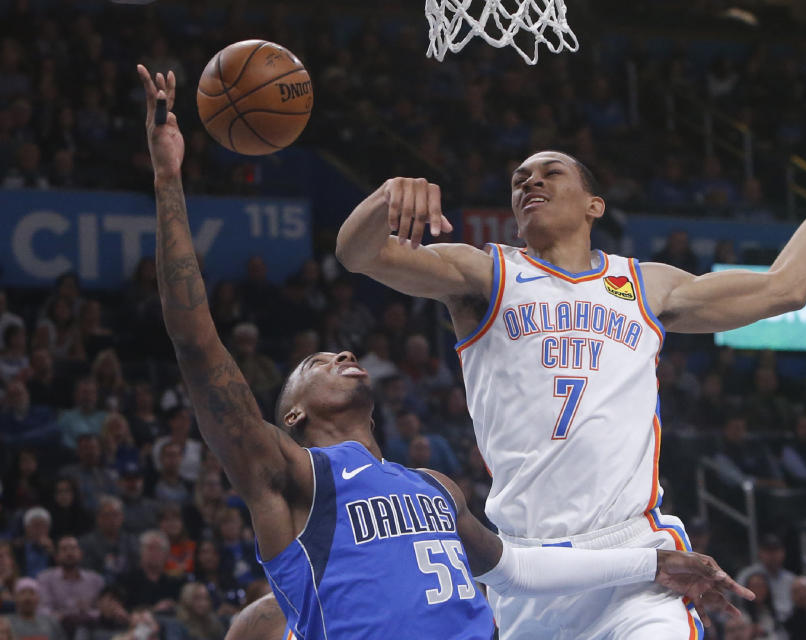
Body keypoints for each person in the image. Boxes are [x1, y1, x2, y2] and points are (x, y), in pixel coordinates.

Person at [137, 64, 752, 638]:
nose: (340, 356)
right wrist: (168, 181)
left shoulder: (434, 485)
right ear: (290, 415)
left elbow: (519, 572)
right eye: (315, 363)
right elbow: (194, 340)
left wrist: (650, 564)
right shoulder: (292, 477)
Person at [336, 72, 806, 634]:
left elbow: (786, 288)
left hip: (637, 556)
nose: (531, 182)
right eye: (519, 179)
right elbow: (358, 254)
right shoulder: (486, 273)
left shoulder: (646, 286)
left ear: (594, 205)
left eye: (551, 173)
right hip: (532, 565)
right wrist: (383, 200)